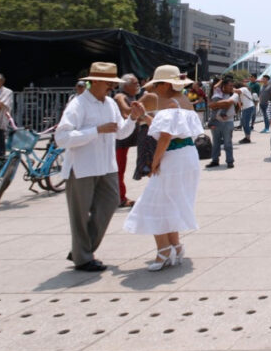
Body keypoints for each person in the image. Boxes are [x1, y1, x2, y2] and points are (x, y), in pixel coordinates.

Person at [55, 62, 145, 272]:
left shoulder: (110, 104)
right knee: (80, 213)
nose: (111, 87)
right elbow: (62, 137)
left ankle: (81, 249)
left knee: (110, 202)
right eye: (107, 82)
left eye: (112, 83)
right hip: (82, 166)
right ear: (94, 81)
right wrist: (96, 130)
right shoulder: (78, 105)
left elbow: (120, 132)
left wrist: (132, 117)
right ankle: (83, 256)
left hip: (106, 165)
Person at [123, 65, 203, 270]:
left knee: (153, 203)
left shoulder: (169, 103)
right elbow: (170, 131)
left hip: (174, 157)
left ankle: (164, 250)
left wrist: (155, 162)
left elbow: (165, 137)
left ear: (166, 85)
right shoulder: (184, 102)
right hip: (186, 155)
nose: (153, 90)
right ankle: (174, 246)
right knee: (169, 202)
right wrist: (144, 116)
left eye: (156, 85)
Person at [114, 73, 142, 208]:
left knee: (120, 169)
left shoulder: (131, 96)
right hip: (119, 140)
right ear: (125, 85)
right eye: (135, 83)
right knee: (118, 170)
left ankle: (119, 196)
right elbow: (126, 112)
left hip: (125, 141)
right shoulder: (121, 96)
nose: (138, 86)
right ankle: (120, 198)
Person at [206, 76, 237, 169]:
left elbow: (228, 102)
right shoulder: (217, 93)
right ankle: (215, 160)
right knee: (215, 143)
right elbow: (210, 106)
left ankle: (230, 161)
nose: (231, 87)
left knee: (228, 143)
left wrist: (215, 104)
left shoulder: (234, 95)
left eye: (232, 85)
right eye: (229, 85)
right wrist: (217, 104)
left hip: (228, 122)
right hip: (216, 122)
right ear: (224, 85)